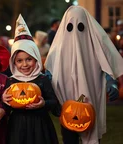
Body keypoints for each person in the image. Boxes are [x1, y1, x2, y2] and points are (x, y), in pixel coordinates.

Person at [45, 6, 123, 144]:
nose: (75, 33)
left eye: (80, 27)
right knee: (69, 135)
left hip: (90, 98)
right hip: (66, 102)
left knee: (91, 131)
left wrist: (111, 82)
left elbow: (107, 65)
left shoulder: (96, 48)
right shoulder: (57, 50)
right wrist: (52, 94)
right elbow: (50, 71)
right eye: (70, 27)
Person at [2, 14, 60, 144]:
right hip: (17, 126)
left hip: (40, 125)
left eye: (29, 59)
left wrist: (44, 103)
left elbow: (54, 102)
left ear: (36, 59)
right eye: (19, 61)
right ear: (13, 62)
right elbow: (5, 109)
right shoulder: (11, 81)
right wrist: (4, 100)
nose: (24, 64)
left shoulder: (42, 79)